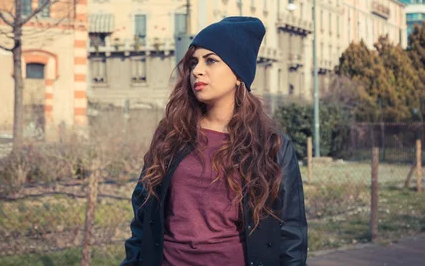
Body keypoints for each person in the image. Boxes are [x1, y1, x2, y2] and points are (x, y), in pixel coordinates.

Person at [121, 16, 308, 266]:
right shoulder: (172, 136)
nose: (197, 70)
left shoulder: (271, 146)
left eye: (211, 61)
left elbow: (291, 235)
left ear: (239, 74)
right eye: (193, 62)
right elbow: (142, 218)